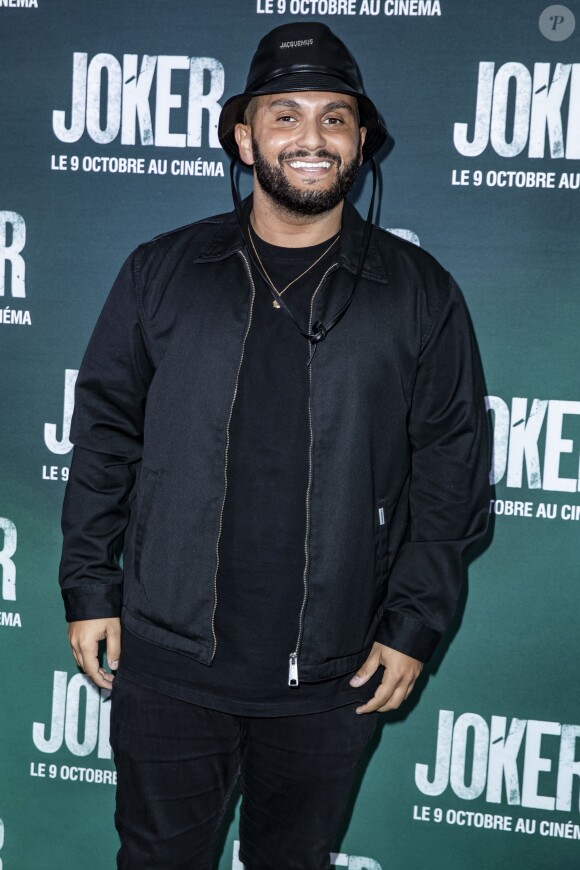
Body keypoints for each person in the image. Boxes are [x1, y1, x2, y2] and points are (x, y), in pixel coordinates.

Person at [59, 21, 490, 870]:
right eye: (284, 114)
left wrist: (412, 626)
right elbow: (105, 431)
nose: (310, 138)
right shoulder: (163, 271)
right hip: (169, 665)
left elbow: (451, 470)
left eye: (334, 118)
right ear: (243, 135)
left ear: (361, 142)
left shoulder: (418, 293)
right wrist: (87, 584)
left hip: (334, 678)